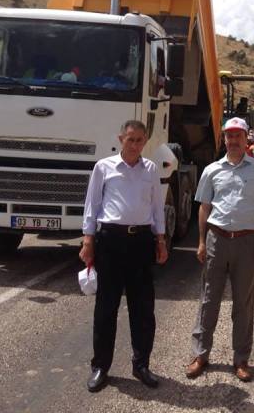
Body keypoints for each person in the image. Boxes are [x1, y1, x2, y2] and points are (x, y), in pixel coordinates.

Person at [79, 120, 168, 393]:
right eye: (130, 139)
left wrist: (160, 239)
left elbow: (157, 207)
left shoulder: (151, 169)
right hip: (110, 242)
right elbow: (92, 205)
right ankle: (100, 367)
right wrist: (88, 240)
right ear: (121, 139)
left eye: (140, 140)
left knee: (143, 308)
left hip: (141, 243)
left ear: (145, 142)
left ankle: (141, 365)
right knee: (106, 307)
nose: (135, 144)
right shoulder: (103, 167)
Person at [186, 117, 254, 382]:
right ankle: (200, 354)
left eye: (238, 135)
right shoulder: (211, 170)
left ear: (246, 138)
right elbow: (204, 207)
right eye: (229, 135)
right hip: (217, 239)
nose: (234, 140)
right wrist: (202, 241)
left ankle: (241, 359)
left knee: (243, 303)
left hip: (248, 242)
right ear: (223, 139)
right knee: (208, 299)